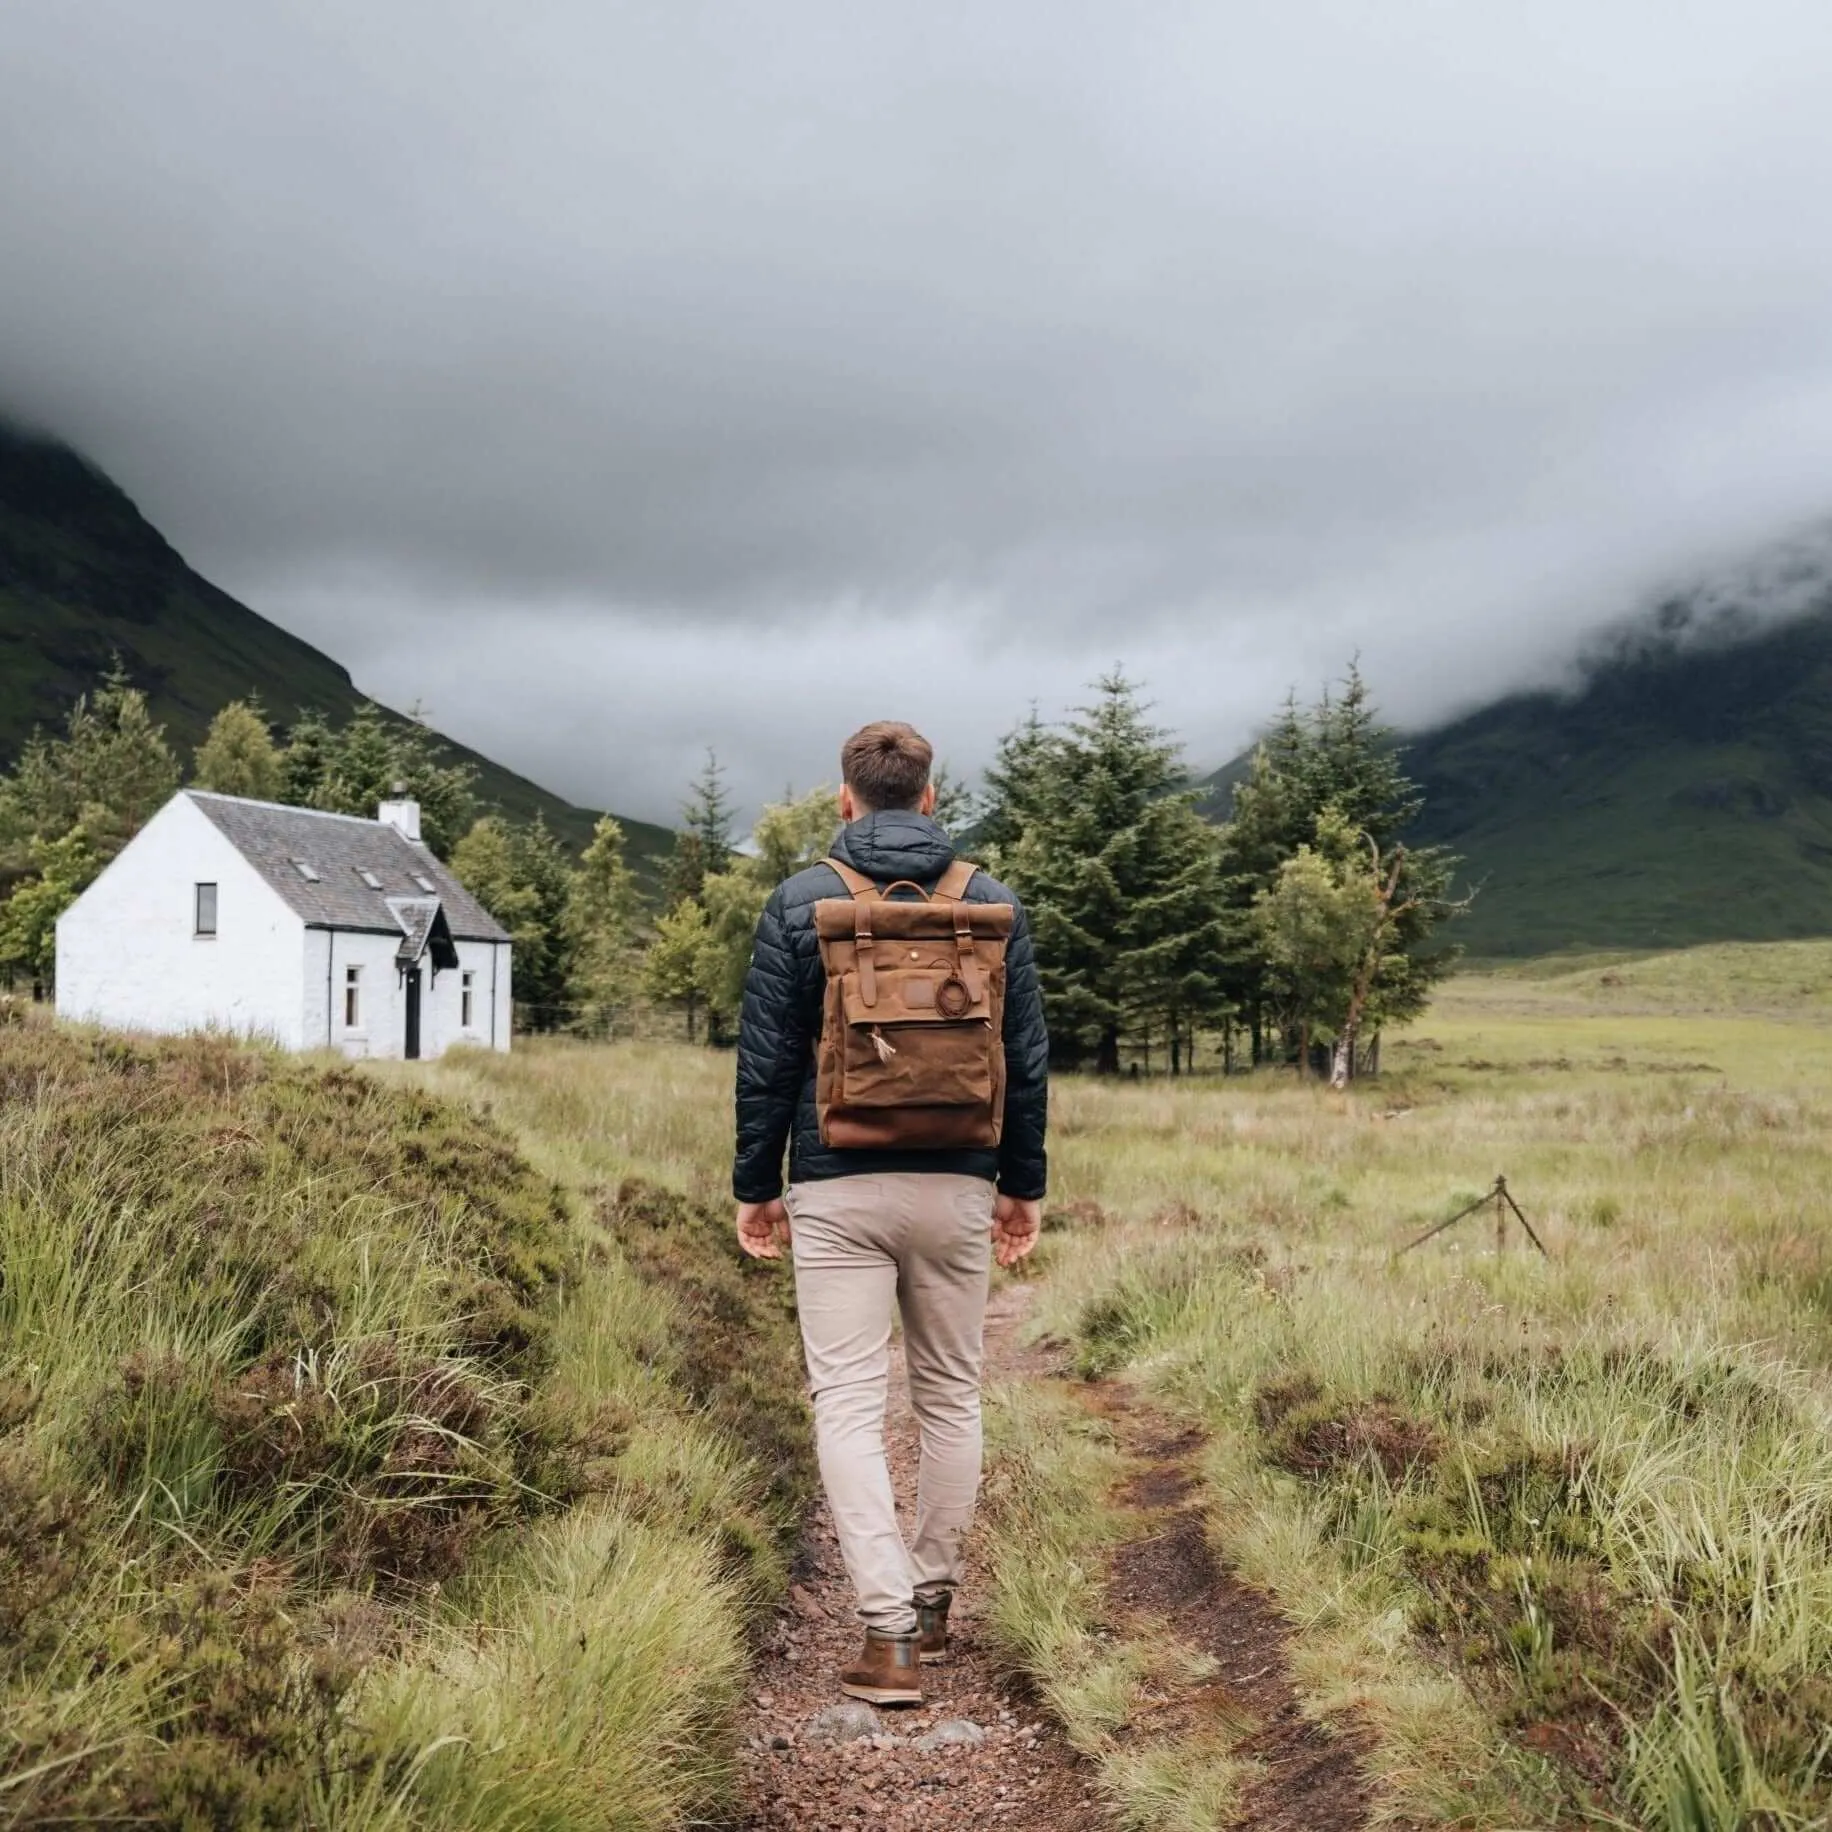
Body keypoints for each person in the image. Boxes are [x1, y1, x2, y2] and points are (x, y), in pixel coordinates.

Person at [732, 720, 1049, 1707]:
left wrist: (755, 1183)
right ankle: (936, 1593)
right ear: (927, 796)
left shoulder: (800, 900)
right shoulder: (989, 904)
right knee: (950, 1395)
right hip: (958, 1180)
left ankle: (886, 1633)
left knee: (848, 1403)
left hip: (834, 1184)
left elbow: (766, 1063)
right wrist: (1020, 1184)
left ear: (843, 798)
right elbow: (1024, 1062)